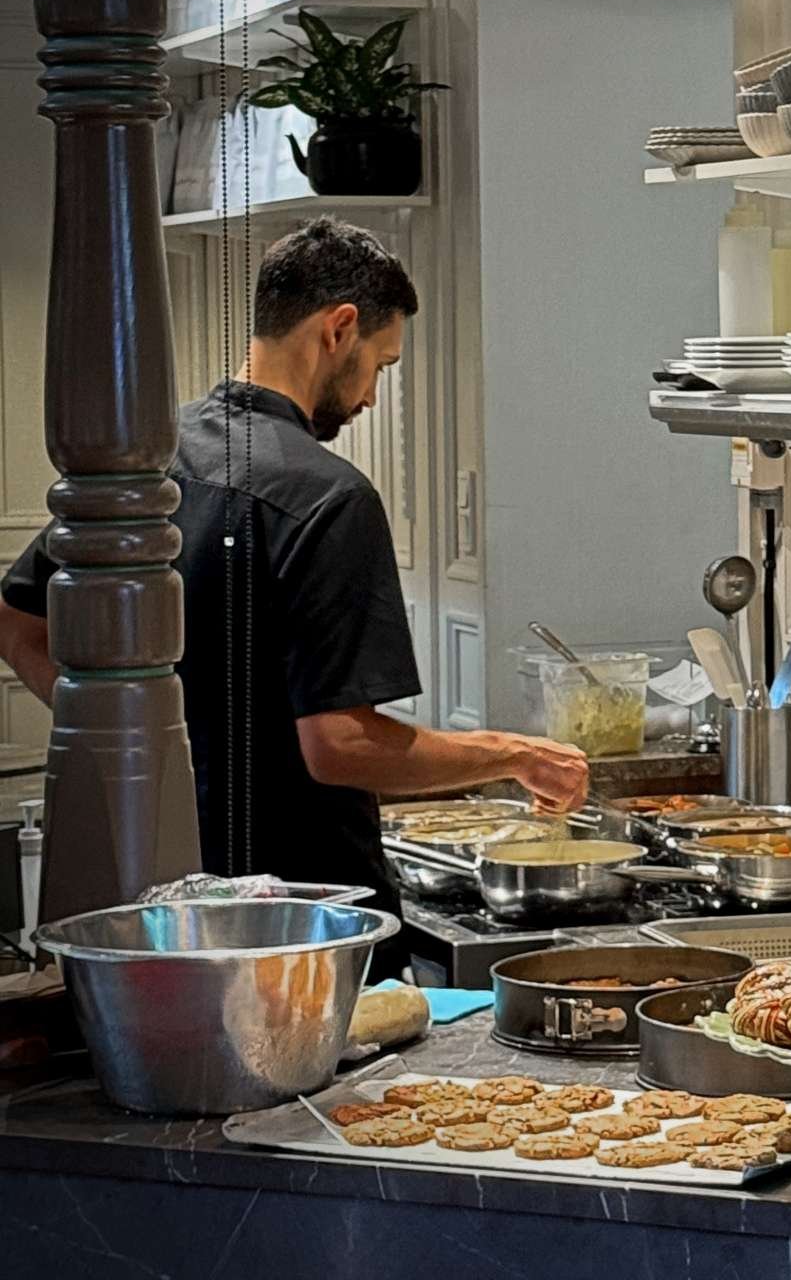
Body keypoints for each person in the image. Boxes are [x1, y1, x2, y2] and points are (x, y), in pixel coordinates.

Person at [0, 218, 588, 947]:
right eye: (382, 364)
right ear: (339, 329)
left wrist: (124, 740)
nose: (372, 395)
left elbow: (17, 623)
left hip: (159, 896)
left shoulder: (144, 459)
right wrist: (514, 754)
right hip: (301, 917)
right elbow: (340, 745)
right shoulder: (329, 498)